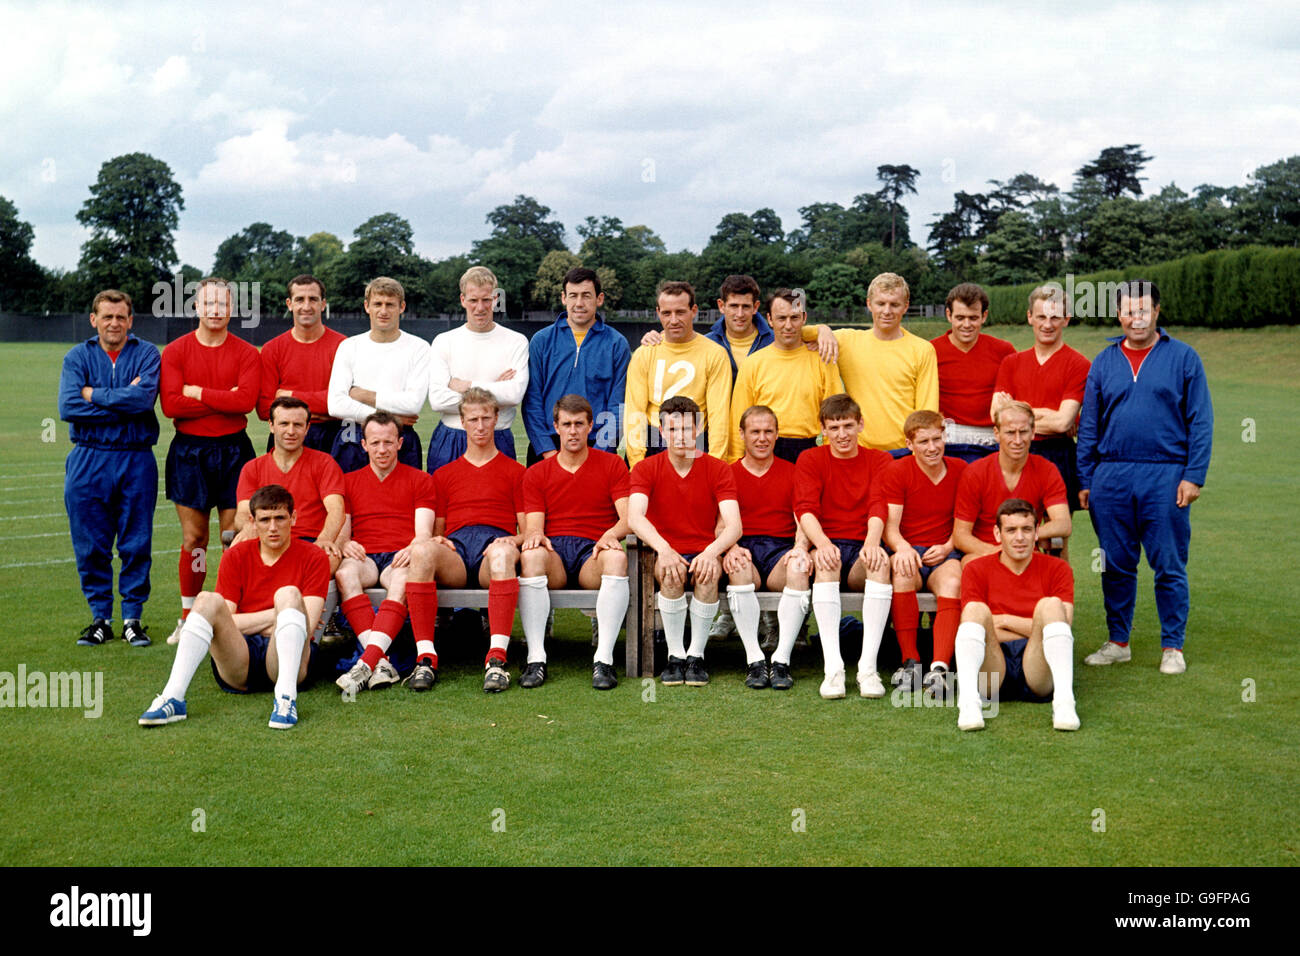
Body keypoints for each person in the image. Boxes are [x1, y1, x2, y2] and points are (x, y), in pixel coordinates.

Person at [1077, 279, 1213, 675]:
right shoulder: (1104, 361)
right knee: (1115, 563)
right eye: (1127, 311)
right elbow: (1089, 425)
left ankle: (1172, 646)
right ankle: (1118, 641)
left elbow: (1200, 421)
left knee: (1168, 563)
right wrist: (1086, 478)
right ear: (1119, 314)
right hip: (1112, 474)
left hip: (1166, 473)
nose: (1135, 318)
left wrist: (1194, 476)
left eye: (1143, 310)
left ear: (1156, 311)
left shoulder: (1185, 358)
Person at [138, 484, 329, 730]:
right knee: (207, 600)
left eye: (280, 518)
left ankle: (285, 699)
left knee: (289, 594)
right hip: (240, 658)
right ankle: (173, 697)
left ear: (293, 518)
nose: (272, 527)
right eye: (265, 519)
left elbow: (308, 626)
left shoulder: (314, 556)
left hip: (287, 660)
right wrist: (279, 617)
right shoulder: (235, 556)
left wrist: (248, 621)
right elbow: (223, 620)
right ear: (252, 521)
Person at [385, 388, 527, 694]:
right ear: (462, 422)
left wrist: (508, 540)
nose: (479, 426)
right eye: (473, 419)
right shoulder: (443, 474)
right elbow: (438, 529)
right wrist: (438, 541)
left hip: (495, 547)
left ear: (496, 419)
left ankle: (497, 659)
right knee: (422, 550)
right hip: (458, 551)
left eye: (485, 418)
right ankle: (426, 657)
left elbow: (527, 532)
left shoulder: (516, 472)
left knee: (503, 555)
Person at [159, 277, 260, 644]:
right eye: (208, 304)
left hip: (234, 451)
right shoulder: (175, 352)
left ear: (231, 309)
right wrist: (223, 397)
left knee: (233, 538)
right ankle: (189, 616)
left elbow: (245, 402)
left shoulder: (248, 353)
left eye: (222, 304)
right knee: (195, 539)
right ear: (196, 308)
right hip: (190, 452)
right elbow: (171, 405)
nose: (215, 310)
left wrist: (197, 392)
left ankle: (232, 612)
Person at [58, 289, 161, 647]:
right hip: (88, 457)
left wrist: (93, 394)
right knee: (91, 544)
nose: (114, 323)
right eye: (107, 317)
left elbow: (143, 399)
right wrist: (120, 401)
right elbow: (69, 406)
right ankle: (100, 618)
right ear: (94, 320)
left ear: (130, 321)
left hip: (135, 457)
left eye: (121, 317)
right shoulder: (77, 356)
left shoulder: (147, 353)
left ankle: (133, 618)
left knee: (136, 541)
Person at [628, 396, 742, 686]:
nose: (680, 437)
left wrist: (710, 552)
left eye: (687, 429)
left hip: (704, 549)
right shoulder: (645, 468)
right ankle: (674, 656)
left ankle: (696, 656)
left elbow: (734, 526)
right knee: (670, 571)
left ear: (698, 429)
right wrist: (664, 549)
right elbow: (635, 517)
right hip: (666, 553)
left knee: (708, 573)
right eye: (673, 430)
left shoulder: (718, 468)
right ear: (662, 431)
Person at [518, 394, 631, 690]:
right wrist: (535, 536)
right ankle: (536, 658)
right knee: (531, 556)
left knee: (617, 557)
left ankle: (603, 660)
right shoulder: (537, 472)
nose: (573, 431)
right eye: (566, 424)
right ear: (555, 426)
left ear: (590, 426)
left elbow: (627, 519)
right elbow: (534, 528)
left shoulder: (612, 465)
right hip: (555, 551)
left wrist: (610, 534)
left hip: (591, 551)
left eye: (579, 424)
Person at [793, 394, 893, 699]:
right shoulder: (810, 459)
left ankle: (868, 668)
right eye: (834, 427)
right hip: (829, 542)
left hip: (862, 543)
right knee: (825, 562)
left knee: (880, 562)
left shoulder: (880, 460)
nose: (842, 434)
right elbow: (805, 509)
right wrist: (822, 543)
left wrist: (873, 543)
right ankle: (833, 668)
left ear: (860, 424)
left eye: (848, 425)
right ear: (823, 430)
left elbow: (879, 504)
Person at [332, 412, 436, 696]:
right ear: (363, 445)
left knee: (403, 578)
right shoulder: (348, 481)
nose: (382, 450)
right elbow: (343, 529)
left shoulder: (420, 480)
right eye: (375, 442)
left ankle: (366, 661)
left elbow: (423, 533)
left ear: (400, 443)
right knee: (344, 573)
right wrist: (344, 543)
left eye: (388, 442)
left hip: (398, 556)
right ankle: (381, 661)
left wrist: (412, 547)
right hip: (365, 555)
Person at [954, 498, 1079, 733]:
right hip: (993, 666)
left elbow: (1065, 624)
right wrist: (1038, 629)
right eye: (1011, 530)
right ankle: (969, 704)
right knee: (975, 610)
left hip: (1038, 665)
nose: (1019, 537)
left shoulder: (1058, 568)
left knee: (1050, 605)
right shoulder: (976, 569)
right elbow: (975, 627)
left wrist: (1002, 620)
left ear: (1036, 532)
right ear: (997, 534)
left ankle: (1064, 704)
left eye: (1026, 529)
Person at [721, 405, 812, 690]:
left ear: (777, 434)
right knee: (738, 567)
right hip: (743, 545)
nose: (762, 438)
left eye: (768, 432)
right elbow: (719, 524)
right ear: (742, 434)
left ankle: (782, 660)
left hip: (779, 549)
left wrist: (800, 547)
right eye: (755, 432)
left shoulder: (793, 471)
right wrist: (731, 547)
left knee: (798, 566)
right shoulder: (728, 472)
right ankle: (755, 660)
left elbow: (804, 519)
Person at [880, 410, 966, 699]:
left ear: (945, 437)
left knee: (954, 582)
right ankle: (910, 661)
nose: (932, 447)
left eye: (937, 439)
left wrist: (948, 546)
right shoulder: (898, 471)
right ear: (909, 444)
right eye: (924, 441)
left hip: (944, 550)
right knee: (902, 571)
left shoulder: (960, 469)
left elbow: (964, 524)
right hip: (909, 549)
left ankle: (940, 667)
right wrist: (902, 548)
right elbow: (890, 527)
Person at [805, 272, 939, 452]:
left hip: (903, 452)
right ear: (869, 304)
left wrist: (917, 454)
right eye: (881, 303)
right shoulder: (846, 341)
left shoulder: (922, 349)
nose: (887, 311)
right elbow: (792, 332)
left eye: (894, 304)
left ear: (905, 307)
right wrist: (823, 330)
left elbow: (927, 412)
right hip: (857, 451)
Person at [992, 285, 1091, 512]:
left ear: (1066, 319)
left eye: (1055, 317)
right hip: (1015, 454)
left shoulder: (1079, 364)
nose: (1047, 324)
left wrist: (1018, 413)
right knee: (1015, 527)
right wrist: (1046, 414)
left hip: (1058, 454)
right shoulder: (1011, 363)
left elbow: (1062, 422)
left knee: (1056, 538)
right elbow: (996, 417)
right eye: (1041, 317)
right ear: (1030, 318)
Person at [522, 267, 630, 464]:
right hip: (548, 449)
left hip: (596, 447)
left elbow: (619, 406)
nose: (579, 303)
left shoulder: (617, 344)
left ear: (599, 299)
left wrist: (599, 453)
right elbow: (532, 401)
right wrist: (546, 451)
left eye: (586, 296)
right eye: (573, 295)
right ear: (564, 298)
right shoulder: (541, 341)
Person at [427, 265, 529, 472]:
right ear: (463, 300)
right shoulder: (443, 341)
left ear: (496, 300)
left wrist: (467, 386)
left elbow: (514, 394)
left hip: (498, 436)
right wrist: (493, 392)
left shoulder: (516, 341)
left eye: (486, 300)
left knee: (500, 504)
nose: (480, 308)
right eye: (473, 300)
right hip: (451, 438)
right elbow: (438, 400)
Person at [727, 289, 842, 464]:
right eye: (781, 318)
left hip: (807, 452)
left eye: (794, 318)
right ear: (770, 320)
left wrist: (833, 461)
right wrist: (735, 462)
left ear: (804, 318)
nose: (788, 325)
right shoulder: (753, 364)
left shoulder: (823, 360)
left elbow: (836, 416)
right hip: (763, 451)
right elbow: (738, 420)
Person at [327, 276, 429, 472]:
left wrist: (363, 395)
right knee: (351, 501)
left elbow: (413, 403)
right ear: (367, 306)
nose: (383, 311)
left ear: (402, 307)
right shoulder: (349, 346)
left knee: (401, 500)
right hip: (352, 438)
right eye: (377, 304)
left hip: (400, 438)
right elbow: (335, 404)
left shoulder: (419, 348)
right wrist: (390, 419)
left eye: (390, 304)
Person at [233, 397, 344, 575]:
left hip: (310, 541)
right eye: (284, 424)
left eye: (298, 425)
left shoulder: (324, 463)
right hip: (268, 539)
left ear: (307, 428)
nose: (291, 431)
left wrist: (324, 539)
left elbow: (336, 510)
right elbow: (243, 512)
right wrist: (248, 528)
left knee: (327, 558)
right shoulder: (253, 468)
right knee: (234, 554)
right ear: (271, 425)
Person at [624, 281, 731, 466]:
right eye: (666, 313)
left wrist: (716, 465)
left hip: (695, 438)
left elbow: (718, 416)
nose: (673, 320)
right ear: (658, 312)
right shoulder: (644, 353)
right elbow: (634, 413)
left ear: (694, 310)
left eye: (680, 312)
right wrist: (636, 463)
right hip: (654, 439)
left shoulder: (715, 354)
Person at [952, 401, 1071, 561]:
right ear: (996, 433)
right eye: (1010, 432)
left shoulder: (1046, 469)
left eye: (1023, 432)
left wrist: (1025, 535)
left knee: (1051, 569)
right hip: (985, 553)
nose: (1017, 440)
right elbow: (961, 536)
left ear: (1033, 432)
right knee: (971, 565)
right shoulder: (976, 472)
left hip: (1027, 552)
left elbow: (1063, 523)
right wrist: (1000, 552)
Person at [256, 274, 346, 455]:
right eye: (299, 299)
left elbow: (345, 404)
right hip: (286, 437)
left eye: (313, 299)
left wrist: (290, 395)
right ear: (289, 304)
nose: (306, 306)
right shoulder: (271, 349)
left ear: (323, 304)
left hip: (334, 438)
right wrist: (323, 408)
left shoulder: (344, 346)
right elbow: (265, 409)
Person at [929, 283, 1015, 462]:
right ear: (948, 315)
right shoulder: (930, 350)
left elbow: (1027, 386)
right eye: (960, 317)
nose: (966, 325)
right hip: (949, 440)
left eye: (973, 318)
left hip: (990, 441)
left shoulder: (1003, 350)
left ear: (984, 316)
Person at [638, 274, 773, 383]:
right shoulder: (708, 343)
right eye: (733, 306)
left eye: (746, 306)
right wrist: (659, 337)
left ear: (755, 307)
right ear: (721, 306)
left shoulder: (774, 343)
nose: (739, 314)